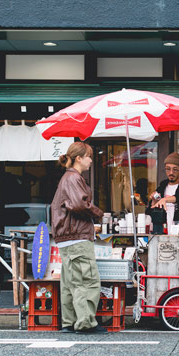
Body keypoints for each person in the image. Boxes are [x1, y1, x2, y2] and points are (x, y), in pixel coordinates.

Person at [51, 142, 106, 334]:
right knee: (86, 281)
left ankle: (69, 322)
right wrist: (99, 213)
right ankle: (85, 323)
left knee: (70, 283)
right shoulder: (73, 178)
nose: (91, 160)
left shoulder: (67, 178)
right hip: (76, 237)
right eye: (89, 156)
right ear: (79, 158)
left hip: (67, 238)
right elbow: (79, 205)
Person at [151, 152, 179, 231]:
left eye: (175, 169)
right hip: (163, 229)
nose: (171, 173)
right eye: (168, 169)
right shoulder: (162, 186)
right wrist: (154, 201)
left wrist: (165, 199)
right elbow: (153, 208)